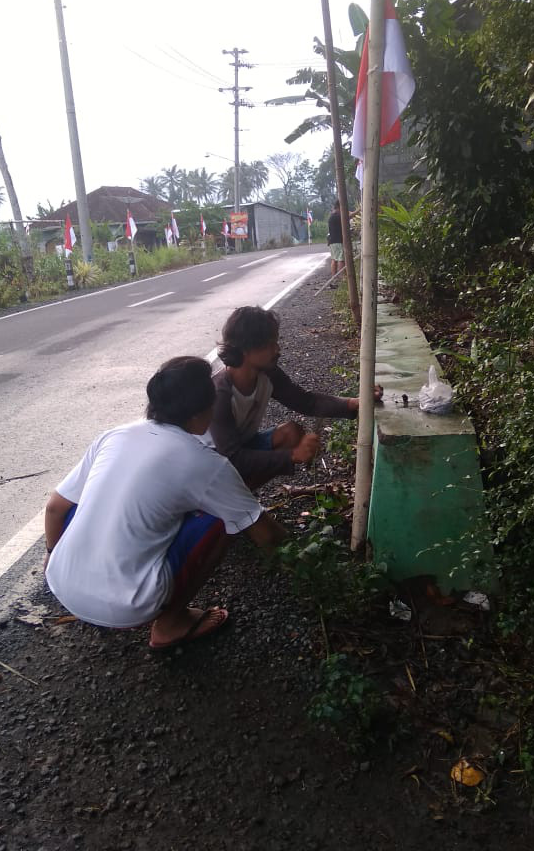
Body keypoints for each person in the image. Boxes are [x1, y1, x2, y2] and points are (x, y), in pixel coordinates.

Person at [44, 356, 286, 650]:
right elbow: (265, 533)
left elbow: (55, 508)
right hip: (129, 605)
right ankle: (171, 624)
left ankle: (86, 578)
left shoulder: (115, 435)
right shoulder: (205, 463)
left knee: (92, 499)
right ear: (200, 414)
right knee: (224, 518)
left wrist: (52, 556)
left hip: (61, 582)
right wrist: (304, 568)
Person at [208, 306, 381, 492]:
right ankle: (229, 505)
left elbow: (306, 402)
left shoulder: (268, 374)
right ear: (245, 349)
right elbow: (232, 457)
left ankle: (243, 497)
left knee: (291, 433)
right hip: (213, 464)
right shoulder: (219, 395)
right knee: (255, 458)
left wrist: (354, 402)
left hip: (241, 446)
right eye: (269, 344)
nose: (277, 349)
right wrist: (292, 456)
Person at [327, 198, 345, 284]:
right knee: (341, 259)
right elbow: (347, 216)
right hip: (338, 241)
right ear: (339, 206)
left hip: (332, 241)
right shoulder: (338, 216)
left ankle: (334, 277)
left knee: (334, 259)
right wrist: (359, 211)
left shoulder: (332, 216)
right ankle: (343, 277)